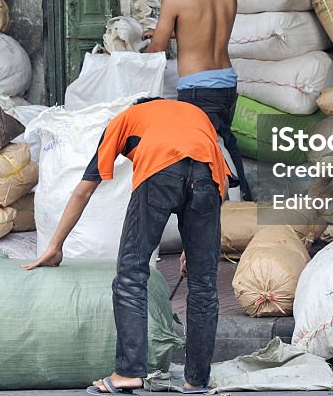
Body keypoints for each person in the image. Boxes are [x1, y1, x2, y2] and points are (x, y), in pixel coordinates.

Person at [23, 98, 229, 395]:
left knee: (132, 274)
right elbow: (213, 173)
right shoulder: (195, 115)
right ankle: (197, 380)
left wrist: (55, 245)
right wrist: (195, 247)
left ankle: (128, 373)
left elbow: (83, 191)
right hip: (207, 179)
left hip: (160, 170)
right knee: (204, 283)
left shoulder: (124, 119)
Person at [144, 0, 250, 200]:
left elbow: (157, 47)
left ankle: (221, 212)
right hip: (226, 82)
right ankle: (244, 204)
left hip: (196, 89)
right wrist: (173, 31)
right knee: (225, 143)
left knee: (203, 156)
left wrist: (138, 51)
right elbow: (205, 29)